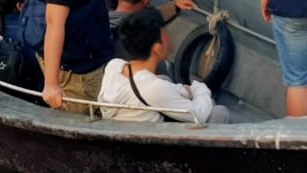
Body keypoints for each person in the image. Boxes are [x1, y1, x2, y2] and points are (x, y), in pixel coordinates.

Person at [98, 8, 229, 124]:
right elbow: (199, 114)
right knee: (218, 112)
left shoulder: (114, 66)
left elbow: (158, 86)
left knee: (164, 79)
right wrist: (200, 88)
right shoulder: (153, 88)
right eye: (164, 35)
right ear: (157, 48)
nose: (168, 38)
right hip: (153, 140)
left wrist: (183, 90)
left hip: (126, 126)